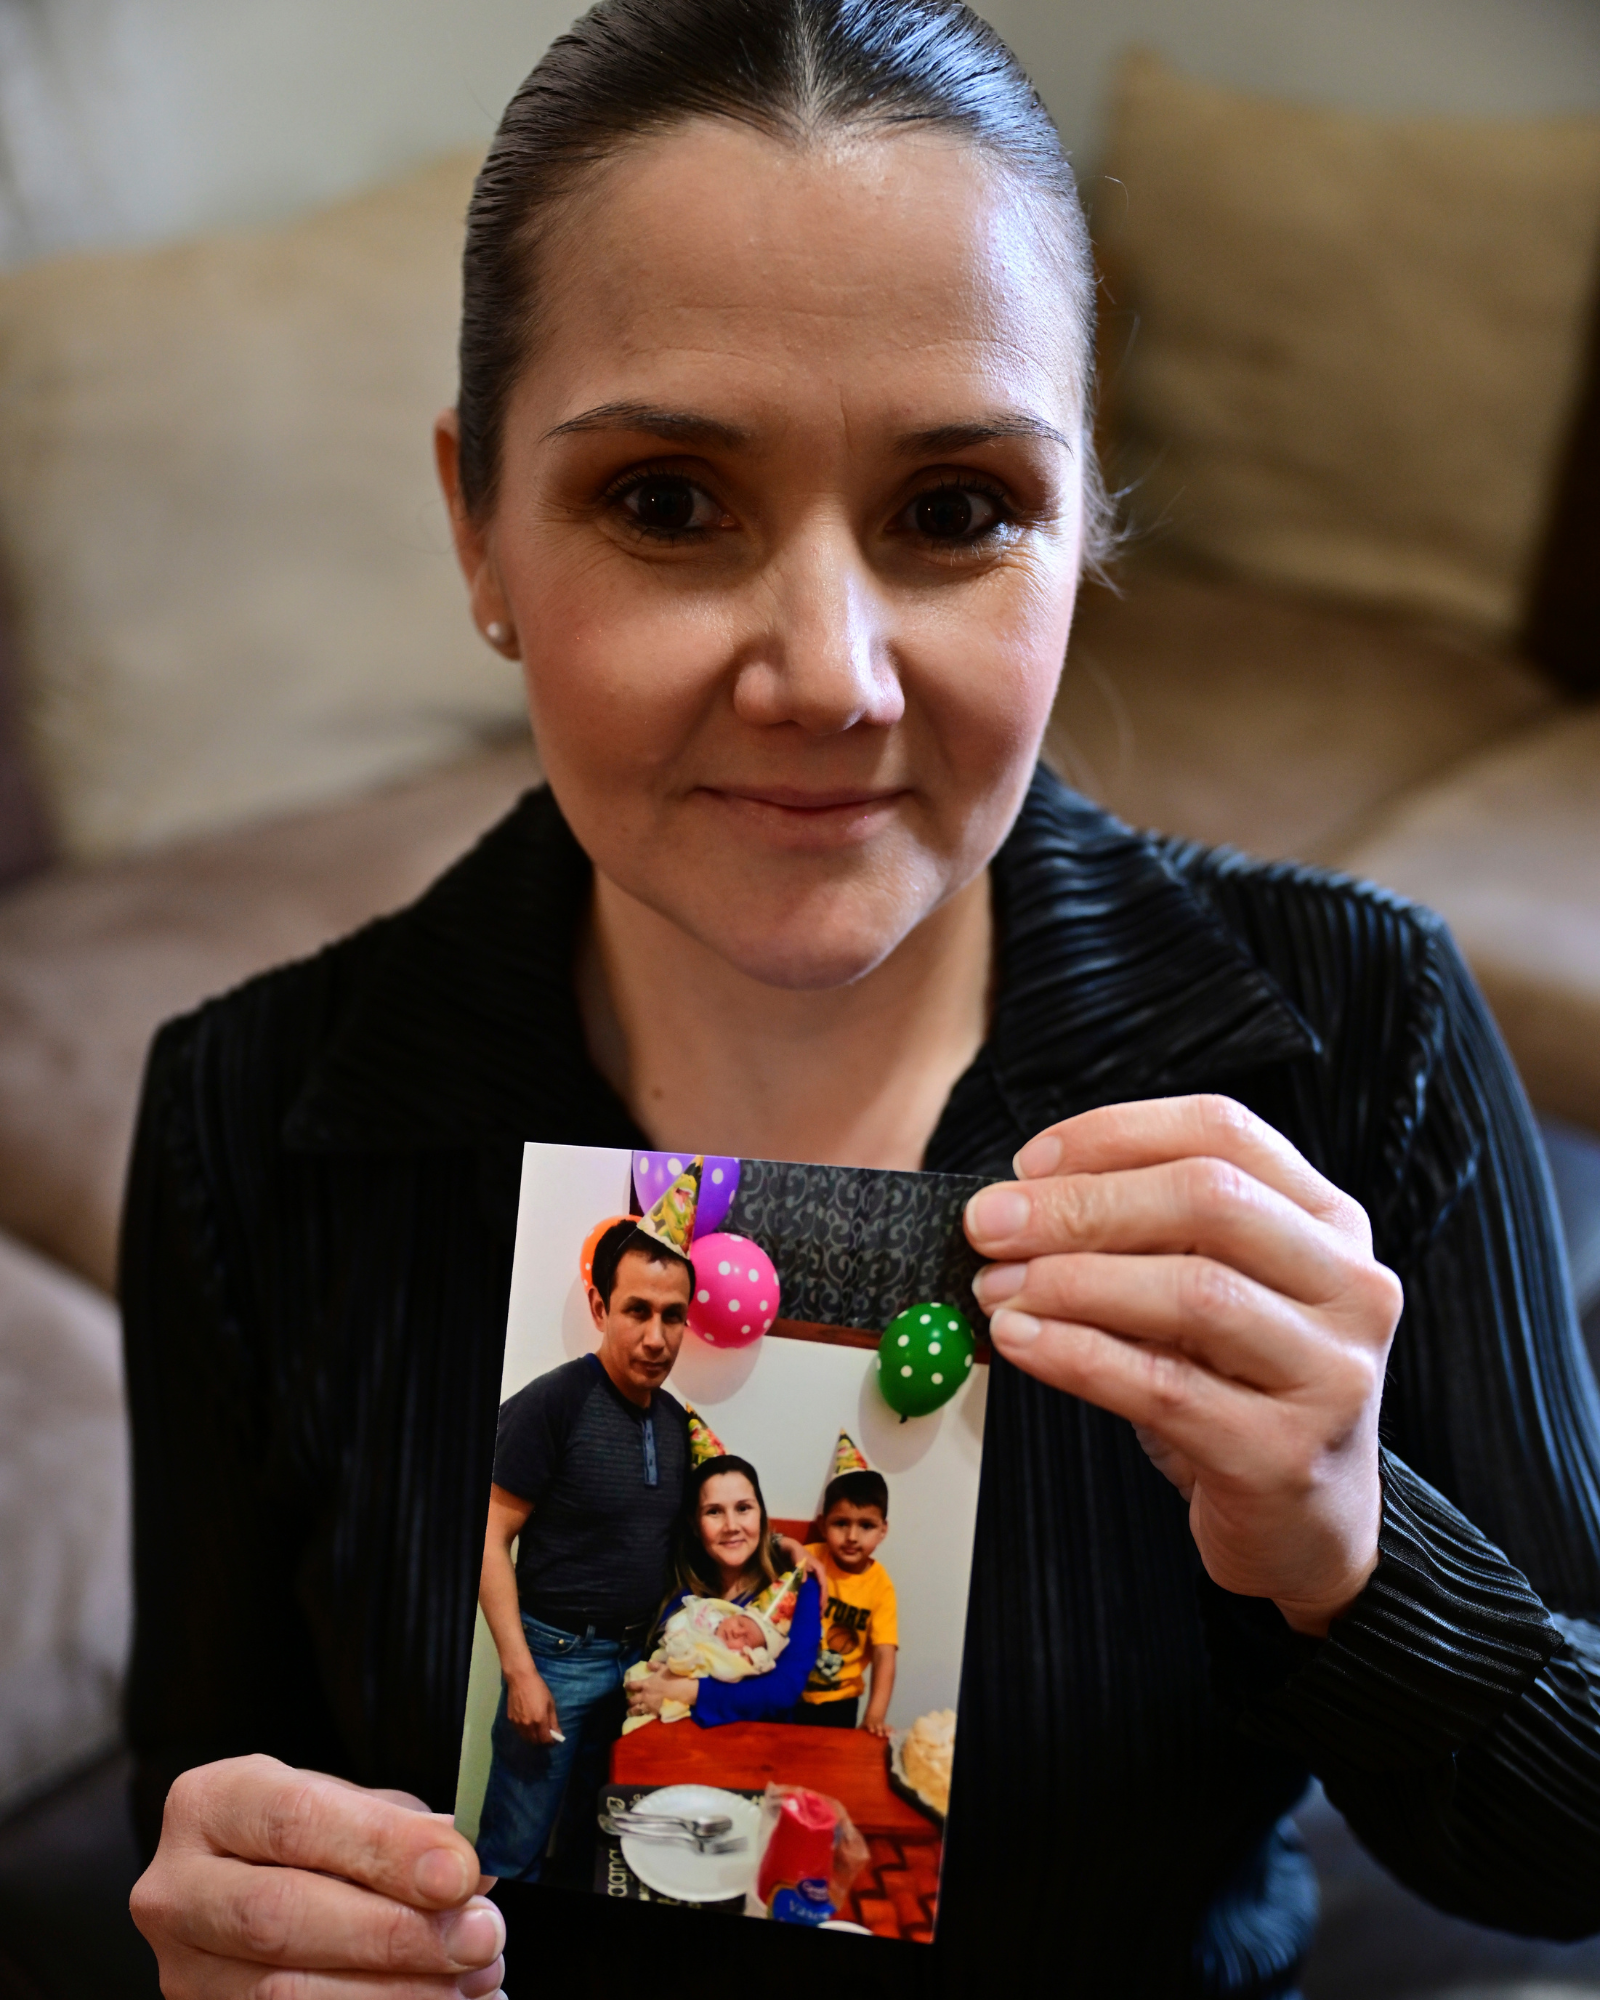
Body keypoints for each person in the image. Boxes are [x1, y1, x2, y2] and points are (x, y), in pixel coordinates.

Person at [121, 1, 1600, 1994]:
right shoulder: (247, 1117)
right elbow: (202, 1791)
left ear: (1082, 532)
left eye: (953, 509)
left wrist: (1345, 1549)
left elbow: (1564, 1842)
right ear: (478, 526)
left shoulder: (1359, 1030)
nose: (826, 674)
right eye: (664, 500)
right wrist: (235, 1927)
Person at [474, 1218, 694, 1881]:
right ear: (601, 1307)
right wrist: (520, 1674)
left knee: (594, 1843)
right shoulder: (553, 1404)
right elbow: (487, 1536)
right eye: (637, 1311)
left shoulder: (676, 1421)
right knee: (512, 1851)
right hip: (556, 1663)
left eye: (673, 1316)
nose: (656, 1337)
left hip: (635, 1671)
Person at [625, 1456, 823, 1727]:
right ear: (695, 1525)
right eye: (714, 1511)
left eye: (743, 1508)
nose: (731, 1526)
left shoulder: (796, 1590)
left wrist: (686, 1691)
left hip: (759, 1748)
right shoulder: (680, 1584)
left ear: (761, 1515)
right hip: (675, 1742)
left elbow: (783, 1690)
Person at [797, 1469, 898, 1734]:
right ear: (822, 1524)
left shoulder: (880, 1585)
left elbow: (885, 1653)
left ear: (883, 1530)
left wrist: (875, 1714)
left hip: (841, 1700)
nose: (852, 1536)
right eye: (841, 1523)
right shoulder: (808, 1558)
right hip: (791, 1687)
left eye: (866, 1525)